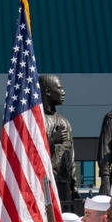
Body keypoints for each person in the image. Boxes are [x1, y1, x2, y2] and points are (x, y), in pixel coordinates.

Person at [40, 74, 77, 204]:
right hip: (44, 184)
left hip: (64, 186)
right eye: (60, 88)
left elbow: (71, 157)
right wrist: (51, 140)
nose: (63, 93)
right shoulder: (36, 121)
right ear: (48, 92)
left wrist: (74, 185)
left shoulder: (64, 122)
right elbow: (31, 154)